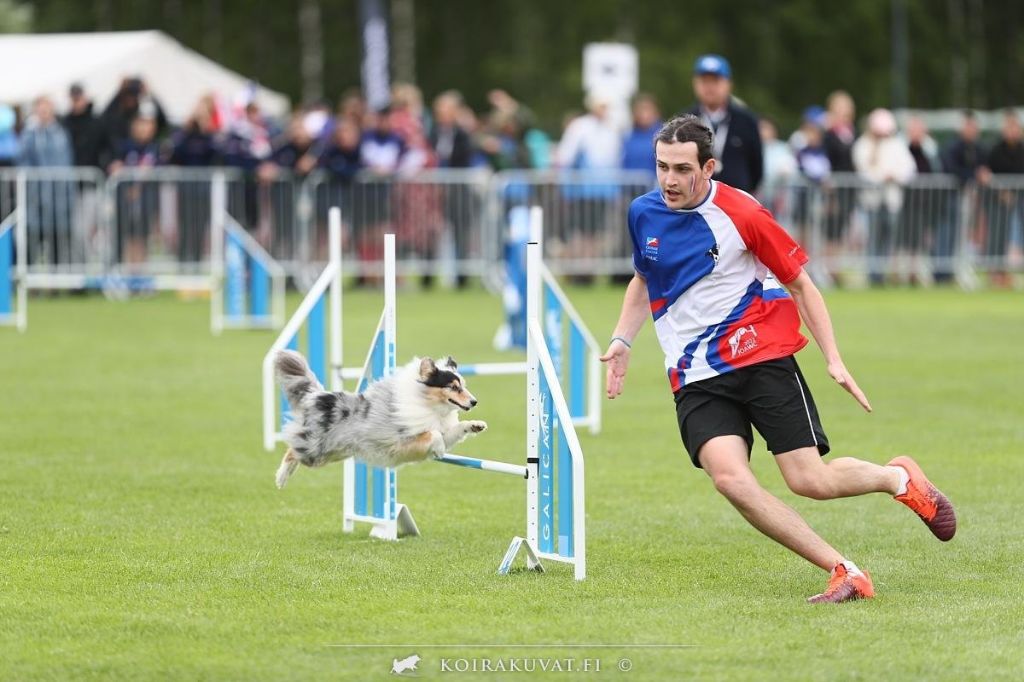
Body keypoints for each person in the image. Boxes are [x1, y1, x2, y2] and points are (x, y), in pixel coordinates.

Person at [600, 115, 956, 604]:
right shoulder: (643, 212)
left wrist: (834, 357)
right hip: (695, 374)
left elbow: (801, 283)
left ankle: (898, 478)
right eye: (661, 167)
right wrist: (622, 340)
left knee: (810, 481)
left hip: (761, 356)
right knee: (730, 480)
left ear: (708, 167)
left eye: (682, 169)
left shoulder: (743, 213)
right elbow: (644, 280)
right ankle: (845, 570)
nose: (669, 180)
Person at [852, 108, 916, 285]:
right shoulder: (863, 144)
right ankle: (873, 274)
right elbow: (863, 171)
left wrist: (893, 176)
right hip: (871, 200)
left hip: (892, 200)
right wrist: (882, 176)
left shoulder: (896, 144)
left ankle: (884, 272)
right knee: (873, 237)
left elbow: (909, 168)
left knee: (889, 238)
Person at [686, 54, 762, 194]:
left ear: (728, 84)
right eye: (704, 81)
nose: (709, 87)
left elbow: (757, 166)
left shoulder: (746, 120)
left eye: (715, 81)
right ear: (695, 83)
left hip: (737, 200)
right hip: (696, 201)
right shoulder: (685, 121)